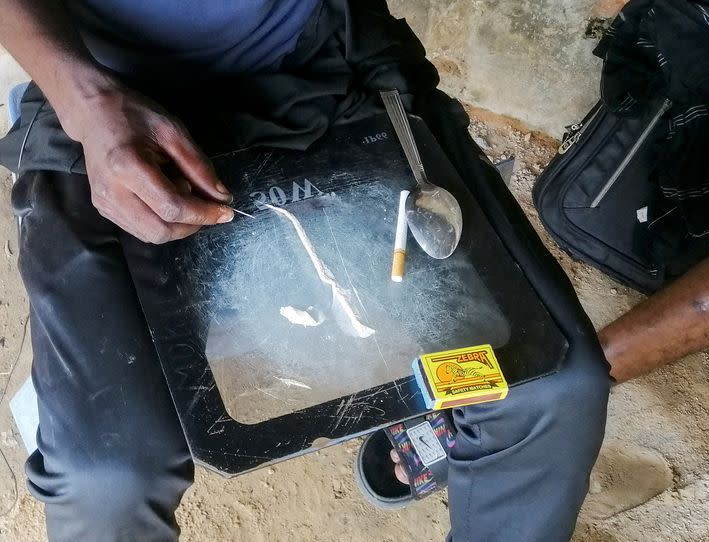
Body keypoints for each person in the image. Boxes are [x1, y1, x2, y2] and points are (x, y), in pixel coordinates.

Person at [0, 1, 610, 541]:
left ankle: (452, 427)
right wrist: (88, 105)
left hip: (325, 68)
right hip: (99, 97)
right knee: (108, 474)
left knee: (548, 380)